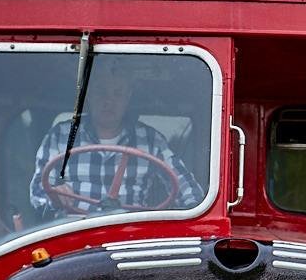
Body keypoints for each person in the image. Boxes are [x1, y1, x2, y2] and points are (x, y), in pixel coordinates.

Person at [30, 59, 203, 218]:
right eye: (101, 92)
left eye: (117, 93)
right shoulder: (61, 135)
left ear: (128, 97)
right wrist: (54, 194)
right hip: (74, 232)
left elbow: (188, 190)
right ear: (88, 95)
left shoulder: (151, 140)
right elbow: (38, 190)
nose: (108, 101)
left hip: (129, 235)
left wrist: (190, 215)